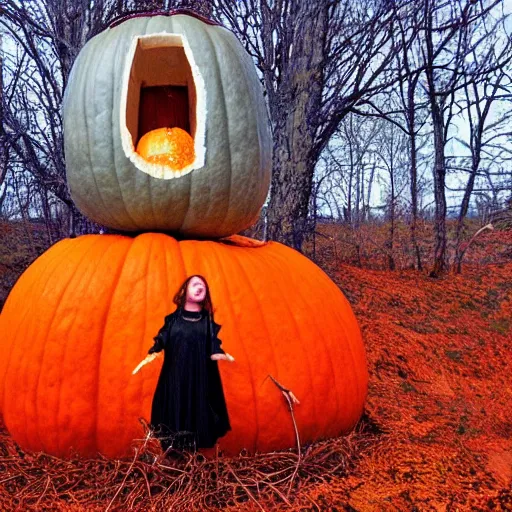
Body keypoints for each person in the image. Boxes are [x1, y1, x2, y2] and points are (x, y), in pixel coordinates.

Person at [143, 275, 234, 456]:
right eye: (195, 284)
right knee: (175, 405)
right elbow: (164, 335)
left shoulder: (207, 321)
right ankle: (174, 451)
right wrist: (157, 347)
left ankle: (194, 451)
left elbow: (213, 340)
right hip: (175, 374)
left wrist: (218, 351)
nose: (200, 288)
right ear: (184, 291)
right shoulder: (173, 320)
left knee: (198, 406)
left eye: (203, 286)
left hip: (200, 375)